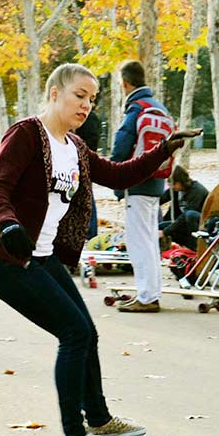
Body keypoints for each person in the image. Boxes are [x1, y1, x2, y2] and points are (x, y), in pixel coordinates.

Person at [0, 63, 199, 436]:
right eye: (79, 95)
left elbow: (117, 174)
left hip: (41, 257)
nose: (86, 105)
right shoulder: (27, 134)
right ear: (54, 93)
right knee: (74, 333)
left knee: (87, 332)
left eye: (92, 99)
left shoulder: (75, 147)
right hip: (7, 259)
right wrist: (7, 224)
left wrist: (165, 148)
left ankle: (98, 419)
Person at [110, 59, 167, 313]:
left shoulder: (135, 109)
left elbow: (122, 145)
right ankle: (151, 292)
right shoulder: (159, 108)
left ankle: (146, 297)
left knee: (138, 242)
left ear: (124, 83)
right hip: (157, 181)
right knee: (149, 241)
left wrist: (115, 178)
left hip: (137, 184)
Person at [159, 165, 208, 251]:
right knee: (160, 226)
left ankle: (197, 247)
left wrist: (165, 232)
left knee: (190, 215)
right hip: (184, 222)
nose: (172, 187)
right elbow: (160, 199)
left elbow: (185, 216)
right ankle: (164, 252)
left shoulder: (196, 191)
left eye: (174, 184)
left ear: (180, 181)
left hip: (200, 224)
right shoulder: (176, 190)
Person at [74, 102, 101, 239]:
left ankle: (89, 231)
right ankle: (90, 231)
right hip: (88, 160)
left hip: (79, 160)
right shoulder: (94, 118)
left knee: (84, 196)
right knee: (87, 195)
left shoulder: (82, 117)